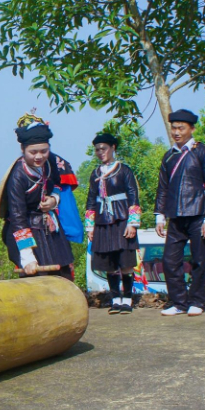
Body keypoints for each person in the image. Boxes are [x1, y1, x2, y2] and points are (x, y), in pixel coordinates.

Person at [154, 110, 205, 316]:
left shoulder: (202, 152)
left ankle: (198, 301)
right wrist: (160, 215)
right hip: (175, 216)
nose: (176, 132)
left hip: (198, 215)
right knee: (170, 261)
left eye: (181, 128)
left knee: (199, 260)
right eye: (174, 127)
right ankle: (179, 302)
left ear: (192, 129)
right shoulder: (169, 156)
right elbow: (162, 187)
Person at [0, 114, 75, 280]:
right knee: (36, 277)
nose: (39, 156)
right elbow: (17, 216)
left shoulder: (51, 161)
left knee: (63, 274)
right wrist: (27, 256)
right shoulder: (18, 176)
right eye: (33, 152)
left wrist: (54, 199)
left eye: (44, 151)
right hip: (25, 228)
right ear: (23, 150)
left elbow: (56, 184)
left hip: (50, 227)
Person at [85, 133, 141, 315]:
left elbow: (133, 196)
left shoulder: (124, 170)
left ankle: (128, 299)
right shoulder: (95, 173)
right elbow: (91, 200)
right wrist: (90, 226)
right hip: (103, 220)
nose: (101, 152)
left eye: (104, 148)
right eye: (97, 150)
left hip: (122, 218)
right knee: (109, 262)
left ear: (113, 148)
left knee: (125, 260)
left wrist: (132, 223)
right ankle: (115, 299)